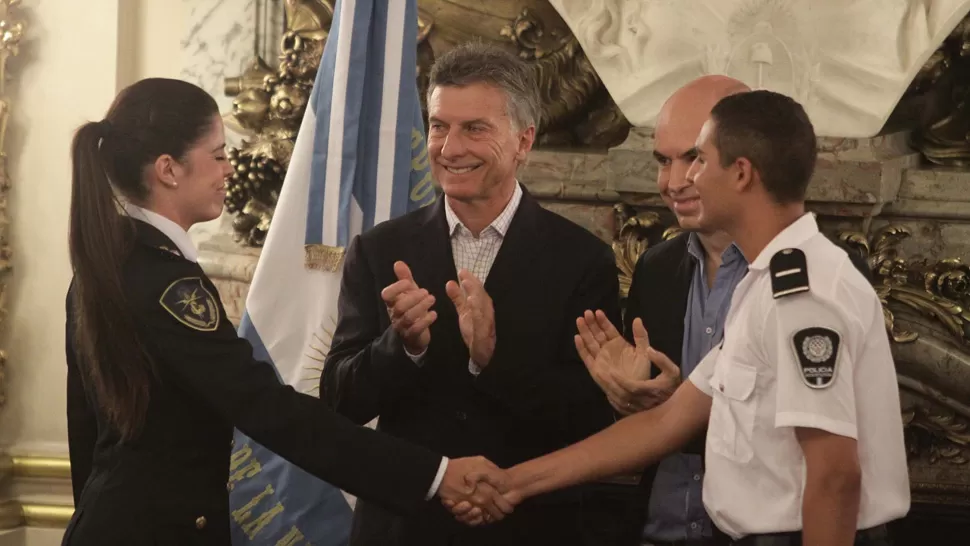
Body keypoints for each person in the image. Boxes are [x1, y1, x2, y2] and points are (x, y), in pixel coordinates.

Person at [63, 77, 511, 546]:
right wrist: (435, 475)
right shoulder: (169, 286)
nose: (229, 169)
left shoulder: (112, 260)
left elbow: (87, 431)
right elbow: (269, 409)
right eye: (217, 155)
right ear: (168, 170)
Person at [479, 90, 912, 546]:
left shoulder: (804, 293)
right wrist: (514, 482)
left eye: (699, 160)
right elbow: (667, 423)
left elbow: (834, 475)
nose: (683, 179)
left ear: (741, 173)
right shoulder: (764, 281)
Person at [320, 42, 622, 545]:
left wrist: (491, 357)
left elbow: (591, 420)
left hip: (530, 528)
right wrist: (404, 346)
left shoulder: (583, 260)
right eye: (439, 125)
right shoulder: (378, 250)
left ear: (524, 141)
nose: (449, 147)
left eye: (475, 129)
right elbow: (339, 400)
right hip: (402, 530)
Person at [579, 75, 750, 546]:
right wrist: (623, 400)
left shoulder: (812, 272)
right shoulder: (656, 269)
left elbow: (815, 450)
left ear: (747, 162)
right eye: (662, 161)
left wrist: (673, 414)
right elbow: (634, 435)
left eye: (693, 158)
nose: (673, 183)